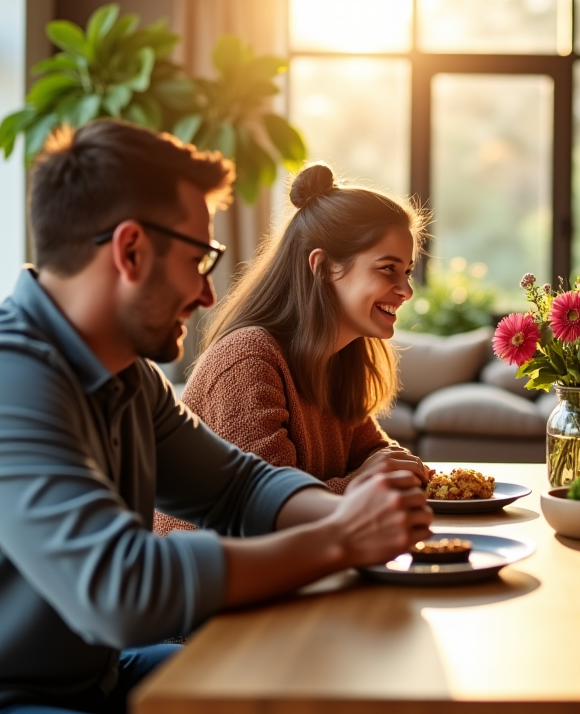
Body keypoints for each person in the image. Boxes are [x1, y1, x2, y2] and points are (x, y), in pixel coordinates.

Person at [0, 120, 432, 714]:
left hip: (90, 677)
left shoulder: (126, 375)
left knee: (318, 698)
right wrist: (340, 537)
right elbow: (122, 588)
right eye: (198, 260)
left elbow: (237, 487)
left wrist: (351, 514)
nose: (206, 294)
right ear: (130, 250)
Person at [153, 164, 429, 536]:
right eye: (387, 269)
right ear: (323, 266)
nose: (406, 290)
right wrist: (363, 484)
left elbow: (375, 456)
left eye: (408, 271)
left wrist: (392, 471)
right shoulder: (247, 359)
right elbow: (263, 517)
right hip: (211, 584)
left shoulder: (338, 360)